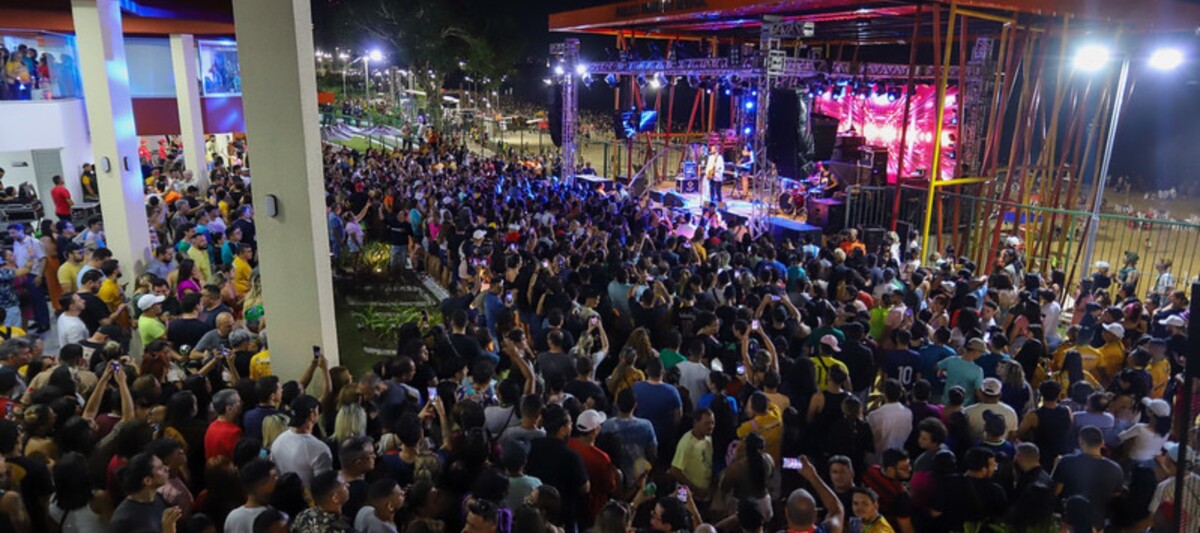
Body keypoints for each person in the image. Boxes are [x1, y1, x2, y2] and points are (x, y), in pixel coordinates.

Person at [524, 404, 589, 532]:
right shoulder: (571, 456)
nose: (571, 427)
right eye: (569, 424)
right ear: (562, 429)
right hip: (563, 516)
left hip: (536, 511)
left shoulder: (532, 446)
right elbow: (585, 488)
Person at [1052, 426, 1125, 530]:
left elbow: (1055, 491)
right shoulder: (1116, 469)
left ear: (1081, 441)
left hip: (1069, 523)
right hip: (1097, 524)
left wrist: (1055, 466)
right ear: (1102, 443)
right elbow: (1116, 499)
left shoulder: (1067, 462)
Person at [270, 394, 332, 488]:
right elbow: (324, 487)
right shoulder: (320, 449)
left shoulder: (278, 441)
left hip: (282, 498)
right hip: (307, 501)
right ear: (312, 415)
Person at [108, 452, 176, 532]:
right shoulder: (123, 519)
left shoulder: (158, 498)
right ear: (147, 480)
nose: (166, 468)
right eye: (160, 468)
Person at [223, 459, 276, 533]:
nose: (276, 482)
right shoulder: (273, 520)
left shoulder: (232, 517)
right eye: (273, 479)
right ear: (262, 486)